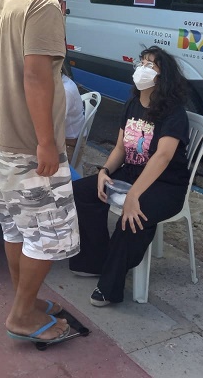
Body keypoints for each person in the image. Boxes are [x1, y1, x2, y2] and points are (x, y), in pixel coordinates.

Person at [0, 0, 89, 345]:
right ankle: (22, 315)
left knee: (17, 229)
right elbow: (38, 76)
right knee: (49, 234)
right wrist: (46, 142)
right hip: (27, 143)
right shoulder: (44, 5)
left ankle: (27, 301)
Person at [68, 45, 191, 307]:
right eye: (141, 63)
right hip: (130, 173)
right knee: (82, 192)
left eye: (151, 65)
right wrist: (104, 172)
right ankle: (96, 261)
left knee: (133, 214)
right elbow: (121, 147)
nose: (142, 69)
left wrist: (134, 195)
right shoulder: (133, 104)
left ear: (162, 76)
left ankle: (111, 286)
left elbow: (163, 156)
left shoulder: (173, 112)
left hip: (166, 184)